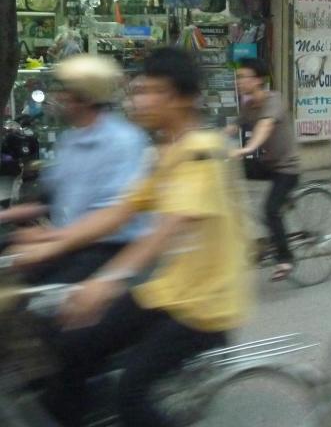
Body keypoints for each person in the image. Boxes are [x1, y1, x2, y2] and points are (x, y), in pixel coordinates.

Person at [16, 47, 252, 427]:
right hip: (167, 291)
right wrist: (54, 242)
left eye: (149, 92)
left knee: (131, 396)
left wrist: (105, 282)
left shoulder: (201, 154)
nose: (136, 100)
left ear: (178, 99)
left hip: (204, 307)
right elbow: (119, 212)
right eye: (138, 90)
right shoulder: (164, 152)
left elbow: (166, 229)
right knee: (72, 348)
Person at [1, 55, 151, 285]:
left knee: (39, 302)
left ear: (85, 99)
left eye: (65, 92)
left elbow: (111, 218)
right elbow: (49, 200)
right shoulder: (70, 139)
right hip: (72, 241)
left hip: (107, 249)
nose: (59, 97)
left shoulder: (123, 142)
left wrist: (52, 241)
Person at [226, 57, 301, 282]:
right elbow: (231, 128)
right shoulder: (249, 105)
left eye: (243, 77)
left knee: (270, 210)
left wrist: (247, 148)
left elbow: (265, 126)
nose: (239, 81)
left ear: (258, 80)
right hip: (267, 165)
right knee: (227, 173)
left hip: (287, 169)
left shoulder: (274, 100)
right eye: (237, 77)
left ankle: (285, 259)